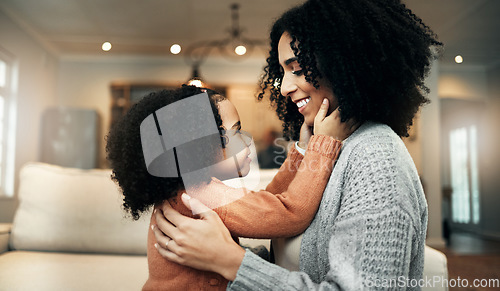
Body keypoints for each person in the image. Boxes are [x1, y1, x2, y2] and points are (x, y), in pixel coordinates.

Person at [152, 0, 443, 289]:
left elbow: (285, 210)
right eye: (282, 72)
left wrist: (230, 261)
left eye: (298, 69)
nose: (284, 87)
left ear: (343, 63)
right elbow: (290, 240)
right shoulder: (336, 149)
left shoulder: (376, 160)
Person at [106, 85, 355, 290]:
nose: (247, 140)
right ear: (199, 147)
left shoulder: (186, 191)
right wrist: (324, 144)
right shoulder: (202, 196)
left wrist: (301, 151)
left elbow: (268, 201)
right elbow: (290, 212)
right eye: (235, 133)